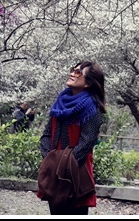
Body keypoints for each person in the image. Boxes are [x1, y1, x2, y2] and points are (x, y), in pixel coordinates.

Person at [38, 60, 106, 215]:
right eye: (73, 70)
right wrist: (49, 159)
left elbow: (86, 143)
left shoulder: (92, 109)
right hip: (54, 170)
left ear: (88, 83)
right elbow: (47, 134)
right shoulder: (59, 105)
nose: (72, 74)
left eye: (78, 72)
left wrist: (64, 164)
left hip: (76, 173)